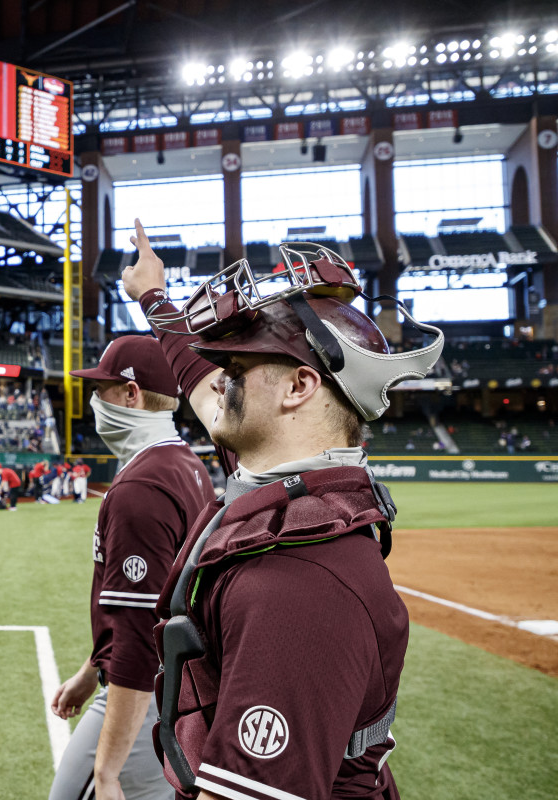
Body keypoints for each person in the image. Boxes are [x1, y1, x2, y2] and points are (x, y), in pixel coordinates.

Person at [121, 221, 443, 800]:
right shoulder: (283, 487)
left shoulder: (299, 584)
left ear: (298, 386)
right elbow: (196, 378)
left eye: (237, 370)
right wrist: (151, 295)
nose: (218, 382)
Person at [49, 335, 216, 800]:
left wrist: (107, 770)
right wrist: (91, 670)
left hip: (148, 696)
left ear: (130, 393)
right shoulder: (185, 463)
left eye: (101, 388)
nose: (93, 399)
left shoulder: (141, 485)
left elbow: (142, 634)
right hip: (179, 691)